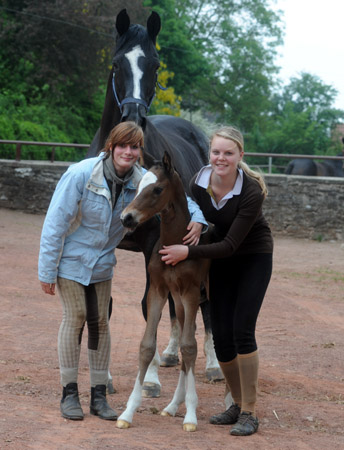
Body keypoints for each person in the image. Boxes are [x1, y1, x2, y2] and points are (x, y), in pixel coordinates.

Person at [38, 121, 207, 421]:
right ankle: (70, 393)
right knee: (76, 317)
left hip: (102, 262)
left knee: (100, 322)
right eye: (122, 146)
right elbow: (55, 223)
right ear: (111, 147)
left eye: (135, 147)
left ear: (140, 151)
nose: (128, 152)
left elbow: (177, 195)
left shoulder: (141, 178)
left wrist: (199, 220)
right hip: (72, 259)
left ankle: (99, 396)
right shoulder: (80, 174)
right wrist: (47, 270)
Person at [159, 126, 273, 436]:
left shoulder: (250, 191)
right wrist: (195, 219)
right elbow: (187, 208)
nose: (221, 158)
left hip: (251, 258)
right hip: (219, 260)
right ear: (210, 154)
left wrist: (188, 250)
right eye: (216, 152)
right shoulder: (198, 181)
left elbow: (231, 245)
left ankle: (250, 412)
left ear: (240, 156)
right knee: (221, 336)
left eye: (228, 153)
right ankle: (236, 404)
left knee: (241, 332)